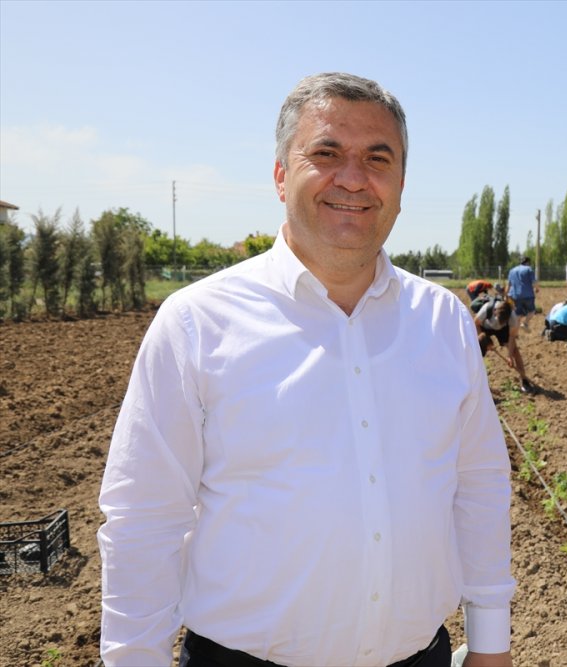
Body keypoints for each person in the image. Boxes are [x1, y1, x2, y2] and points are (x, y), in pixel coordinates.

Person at [98, 73, 514, 667]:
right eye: (326, 153)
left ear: (400, 185)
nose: (353, 177)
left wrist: (492, 642)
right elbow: (144, 516)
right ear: (279, 175)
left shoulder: (443, 320)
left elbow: (477, 485)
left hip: (420, 657)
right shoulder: (197, 323)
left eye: (378, 158)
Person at [474, 296, 533, 394]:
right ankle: (479, 384)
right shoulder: (487, 309)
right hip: (485, 327)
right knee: (478, 351)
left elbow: (511, 337)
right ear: (495, 312)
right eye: (499, 320)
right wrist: (484, 339)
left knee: (515, 352)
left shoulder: (513, 318)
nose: (500, 323)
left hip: (503, 332)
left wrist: (509, 355)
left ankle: (524, 381)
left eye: (503, 322)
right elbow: (476, 323)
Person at [506, 256, 538, 330]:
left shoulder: (512, 270)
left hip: (514, 295)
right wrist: (537, 289)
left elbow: (509, 284)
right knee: (532, 311)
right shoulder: (529, 269)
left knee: (517, 314)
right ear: (528, 262)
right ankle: (525, 323)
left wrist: (506, 295)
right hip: (528, 295)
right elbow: (534, 282)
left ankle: (514, 332)